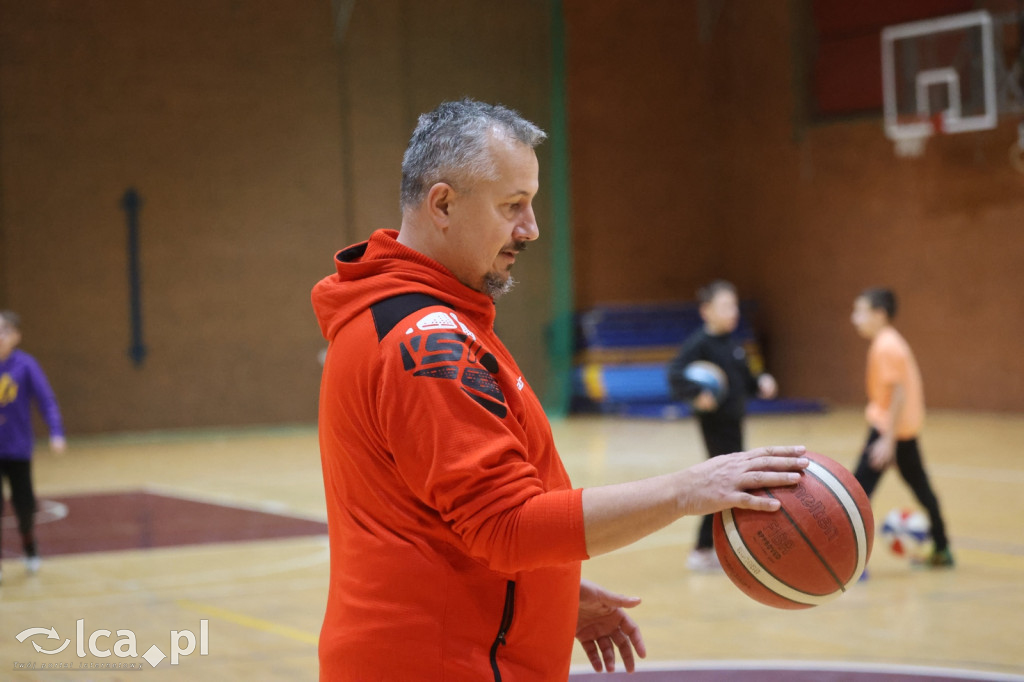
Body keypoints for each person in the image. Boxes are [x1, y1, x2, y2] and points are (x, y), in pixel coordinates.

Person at [311, 98, 808, 681]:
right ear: (442, 203)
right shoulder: (425, 341)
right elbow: (507, 525)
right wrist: (690, 488)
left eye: (532, 202)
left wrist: (547, 593)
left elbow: (445, 518)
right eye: (512, 205)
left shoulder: (418, 320)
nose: (531, 227)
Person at [666, 280, 778, 572]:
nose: (733, 312)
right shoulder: (698, 344)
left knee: (734, 481)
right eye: (726, 306)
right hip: (715, 425)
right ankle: (703, 549)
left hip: (734, 421)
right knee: (725, 482)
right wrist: (696, 394)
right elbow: (675, 375)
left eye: (735, 306)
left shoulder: (732, 343)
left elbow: (744, 378)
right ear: (706, 311)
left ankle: (720, 546)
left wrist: (761, 382)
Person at [850, 288, 953, 568]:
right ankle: (942, 549)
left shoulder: (886, 346)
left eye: (860, 312)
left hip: (888, 431)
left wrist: (887, 440)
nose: (854, 318)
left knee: (854, 494)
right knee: (921, 489)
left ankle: (849, 563)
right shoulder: (890, 342)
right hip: (901, 432)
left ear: (879, 314)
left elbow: (897, 393)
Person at [0, 311, 66, 585]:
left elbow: (46, 400)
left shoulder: (25, 365)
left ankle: (29, 545)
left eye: (4, 331)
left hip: (17, 449)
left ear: (16, 336)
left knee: (24, 505)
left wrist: (56, 432)